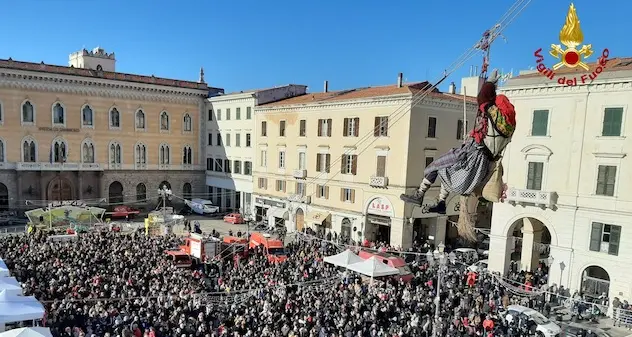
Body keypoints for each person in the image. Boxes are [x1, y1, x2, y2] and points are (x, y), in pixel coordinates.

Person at [400, 70, 516, 213]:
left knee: (438, 164)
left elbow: (483, 98)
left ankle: (420, 194)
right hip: (483, 163)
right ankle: (441, 203)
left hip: (473, 156)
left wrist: (490, 83)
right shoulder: (510, 127)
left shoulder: (494, 113)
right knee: (449, 170)